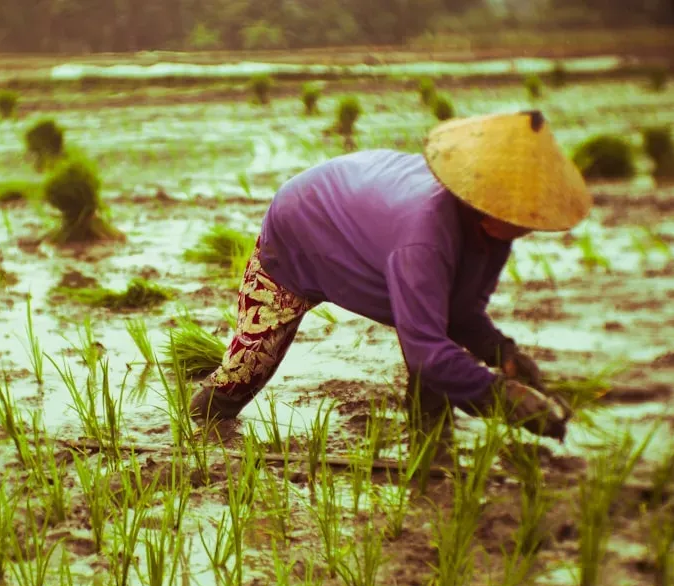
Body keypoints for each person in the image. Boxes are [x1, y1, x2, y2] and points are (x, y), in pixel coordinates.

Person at [189, 110, 587, 442]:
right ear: (492, 202)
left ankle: (430, 433)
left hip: (365, 215)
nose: (531, 223)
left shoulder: (493, 232)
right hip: (300, 224)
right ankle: (196, 430)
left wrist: (503, 354)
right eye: (525, 214)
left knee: (435, 327)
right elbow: (427, 351)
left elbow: (459, 312)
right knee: (243, 375)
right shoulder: (425, 240)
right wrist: (502, 397)